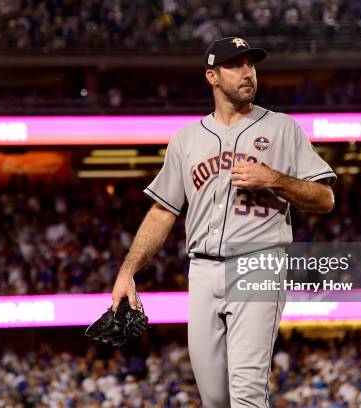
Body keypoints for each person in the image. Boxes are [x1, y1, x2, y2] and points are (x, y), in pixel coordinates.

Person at [111, 37, 336, 407]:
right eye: (236, 65)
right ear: (212, 76)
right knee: (216, 398)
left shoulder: (283, 128)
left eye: (251, 65)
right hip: (201, 270)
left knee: (247, 394)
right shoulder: (186, 140)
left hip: (258, 263)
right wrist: (127, 271)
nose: (248, 73)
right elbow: (163, 210)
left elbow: (325, 198)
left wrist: (275, 179)